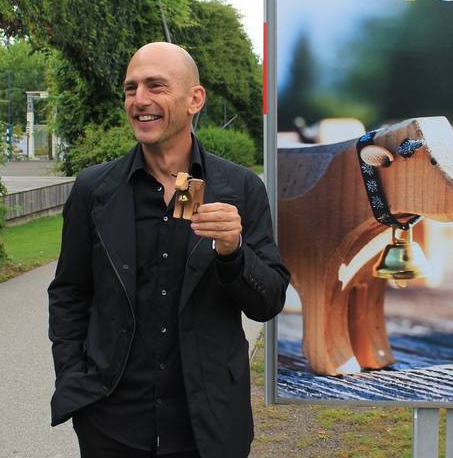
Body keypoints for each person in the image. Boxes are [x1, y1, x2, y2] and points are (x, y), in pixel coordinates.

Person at [48, 42, 289, 458]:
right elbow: (69, 292)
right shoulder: (94, 190)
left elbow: (269, 301)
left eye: (155, 86)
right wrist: (74, 379)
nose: (139, 100)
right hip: (111, 423)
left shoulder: (240, 189)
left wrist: (233, 252)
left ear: (195, 99)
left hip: (207, 425)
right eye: (131, 88)